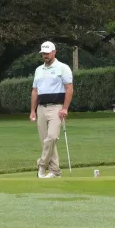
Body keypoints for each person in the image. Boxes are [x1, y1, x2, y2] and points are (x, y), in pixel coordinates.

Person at [29, 41, 73, 179]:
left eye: (47, 53)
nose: (45, 56)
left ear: (54, 52)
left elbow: (69, 88)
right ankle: (55, 171)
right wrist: (32, 110)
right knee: (45, 140)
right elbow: (35, 91)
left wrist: (65, 108)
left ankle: (42, 164)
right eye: (43, 53)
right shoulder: (38, 70)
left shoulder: (62, 68)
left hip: (57, 107)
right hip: (41, 108)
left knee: (52, 137)